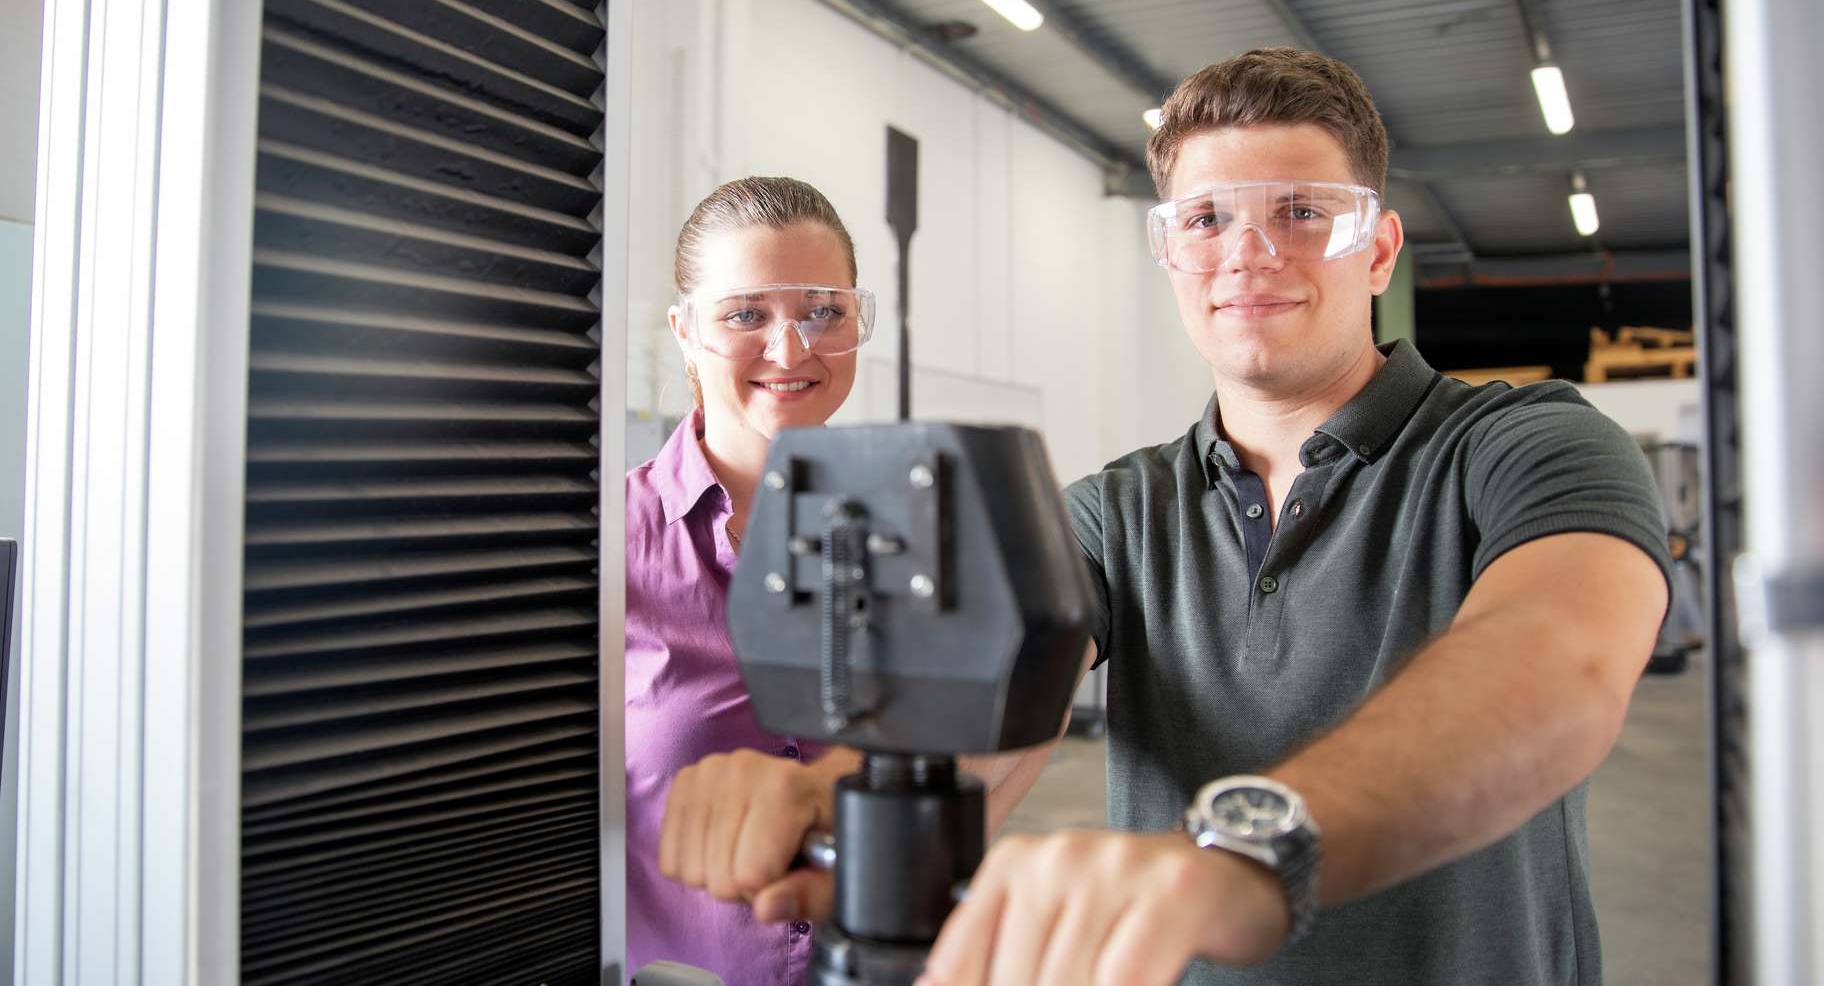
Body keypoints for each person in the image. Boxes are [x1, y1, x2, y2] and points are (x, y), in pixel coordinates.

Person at [657, 49, 1672, 986]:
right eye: (1206, 220)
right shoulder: (1116, 511)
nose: (1250, 253)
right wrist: (845, 792)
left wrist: (1258, 852)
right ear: (1171, 254)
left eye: (1304, 212)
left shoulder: (1526, 445)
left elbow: (1559, 661)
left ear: (1379, 250)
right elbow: (994, 696)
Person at [625, 176, 882, 985]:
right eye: (746, 315)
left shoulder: (914, 535)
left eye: (823, 311)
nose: (791, 348)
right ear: (685, 331)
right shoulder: (602, 548)